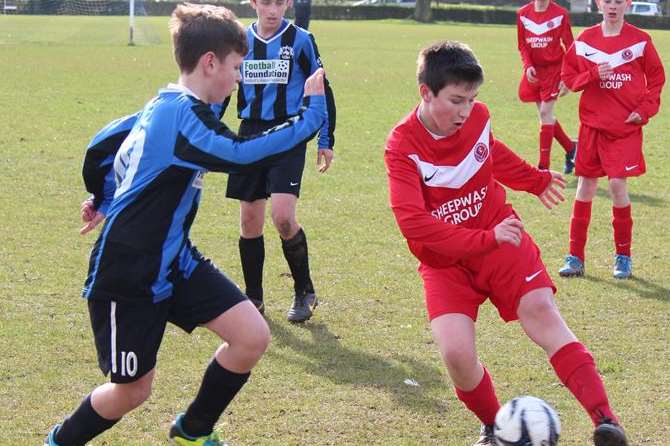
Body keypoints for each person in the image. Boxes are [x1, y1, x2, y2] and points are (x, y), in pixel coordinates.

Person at [44, 4, 327, 446]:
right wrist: (310, 117)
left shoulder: (167, 102)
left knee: (251, 336)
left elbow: (105, 144)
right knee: (133, 390)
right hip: (129, 271)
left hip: (173, 257)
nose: (239, 78)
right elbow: (238, 154)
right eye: (236, 68)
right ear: (210, 62)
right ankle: (60, 441)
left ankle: (192, 431)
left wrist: (103, 195)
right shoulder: (185, 119)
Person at [384, 41, 628, 446]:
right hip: (446, 262)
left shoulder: (477, 118)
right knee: (457, 357)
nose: (465, 111)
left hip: (502, 240)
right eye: (456, 100)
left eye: (472, 99)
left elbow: (488, 151)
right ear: (426, 93)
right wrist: (482, 238)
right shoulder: (402, 145)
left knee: (541, 312)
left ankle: (606, 420)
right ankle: (498, 426)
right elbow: (414, 225)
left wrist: (534, 180)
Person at [225, 0, 336, 322]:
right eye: (265, 2)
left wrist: (325, 139)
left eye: (279, 2)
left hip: (289, 133)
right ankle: (253, 299)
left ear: (288, 3)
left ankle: (304, 291)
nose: (272, 10)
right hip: (250, 134)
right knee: (249, 221)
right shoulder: (239, 42)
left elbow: (322, 90)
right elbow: (223, 90)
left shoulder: (300, 40)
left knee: (283, 218)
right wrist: (208, 137)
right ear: (253, 3)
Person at [558, 0, 665, 280]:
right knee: (586, 186)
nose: (613, 6)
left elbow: (656, 78)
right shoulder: (585, 40)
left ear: (627, 4)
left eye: (619, 1)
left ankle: (623, 257)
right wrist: (593, 74)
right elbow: (568, 78)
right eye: (608, 1)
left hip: (624, 128)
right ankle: (575, 257)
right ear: (598, 4)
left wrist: (644, 111)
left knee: (617, 186)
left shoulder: (641, 41)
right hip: (592, 126)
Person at [517, 0, 577, 173]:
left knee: (545, 113)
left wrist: (567, 75)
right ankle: (571, 148)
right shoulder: (522, 13)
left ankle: (543, 166)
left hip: (554, 70)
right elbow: (522, 45)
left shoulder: (561, 14)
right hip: (535, 72)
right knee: (546, 117)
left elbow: (570, 46)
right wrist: (528, 66)